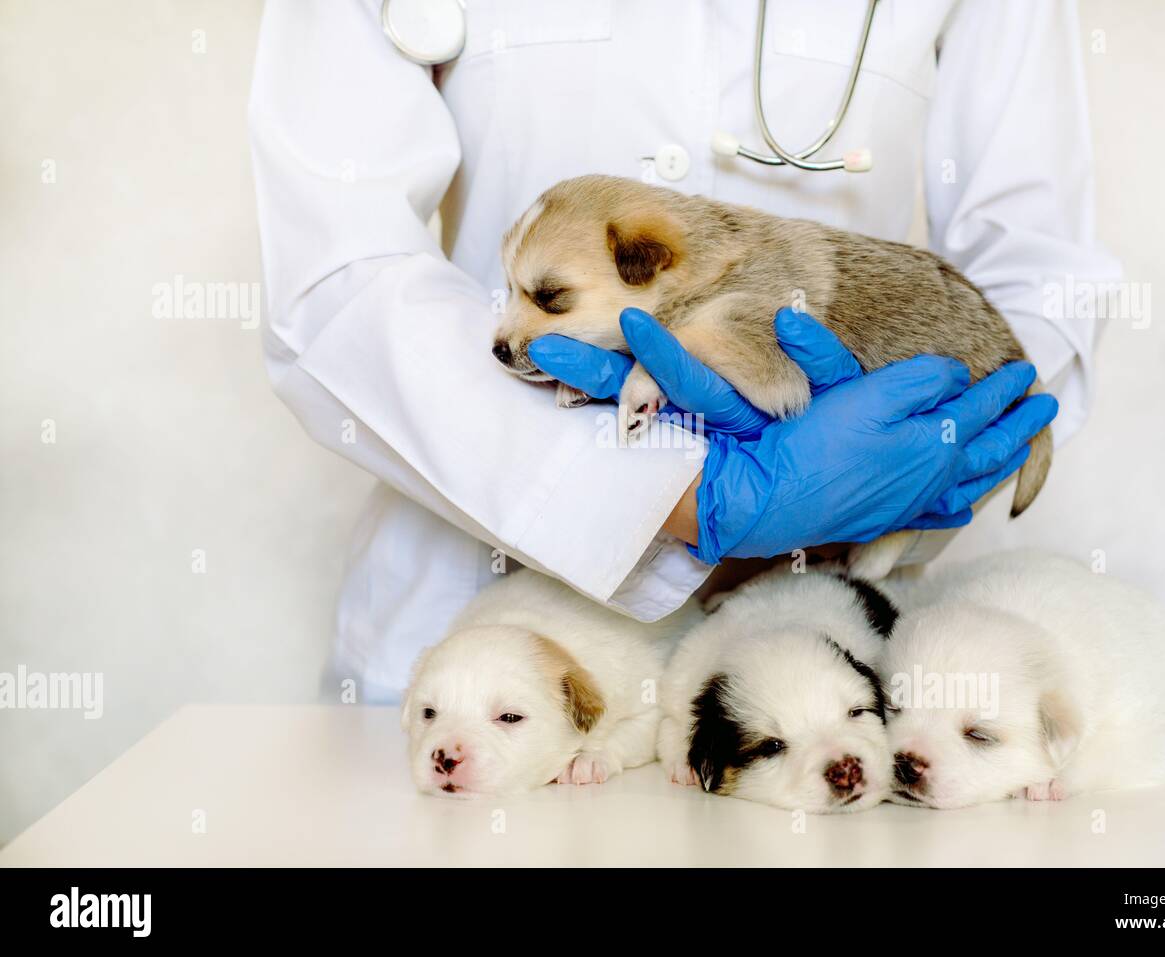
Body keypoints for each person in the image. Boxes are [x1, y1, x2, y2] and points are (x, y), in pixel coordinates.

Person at [248, 1, 1118, 702]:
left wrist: (932, 444)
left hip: (824, 624)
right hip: (483, 614)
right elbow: (333, 274)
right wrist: (669, 494)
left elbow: (1038, 258)